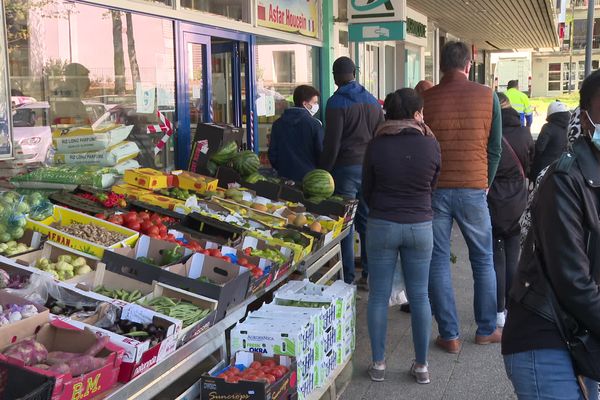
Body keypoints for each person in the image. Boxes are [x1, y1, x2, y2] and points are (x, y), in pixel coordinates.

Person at [502, 70, 600, 400]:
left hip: (582, 335)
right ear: (585, 119)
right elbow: (573, 280)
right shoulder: (566, 180)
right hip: (545, 336)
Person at [422, 41, 503, 354]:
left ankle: (450, 335)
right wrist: (486, 182)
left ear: (441, 66)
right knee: (483, 259)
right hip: (473, 187)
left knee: (437, 260)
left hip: (436, 189)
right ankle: (485, 331)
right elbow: (494, 148)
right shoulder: (488, 95)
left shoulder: (426, 98)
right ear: (468, 65)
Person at [363, 88, 441, 384]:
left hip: (382, 223)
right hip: (420, 226)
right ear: (417, 113)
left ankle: (378, 364)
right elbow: (433, 182)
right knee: (420, 295)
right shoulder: (431, 145)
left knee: (378, 296)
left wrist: (382, 207)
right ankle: (421, 367)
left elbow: (366, 188)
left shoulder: (376, 145)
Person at [320, 56, 384, 286]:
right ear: (354, 74)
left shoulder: (336, 103)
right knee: (366, 222)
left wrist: (323, 171)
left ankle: (347, 278)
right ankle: (369, 274)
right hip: (369, 169)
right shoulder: (373, 102)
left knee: (345, 223)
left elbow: (332, 143)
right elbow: (380, 136)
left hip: (345, 169)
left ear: (336, 77)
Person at [487, 93, 533, 329]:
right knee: (514, 255)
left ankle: (497, 311)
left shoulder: (490, 133)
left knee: (496, 256)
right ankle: (513, 307)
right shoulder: (525, 133)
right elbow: (531, 165)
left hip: (494, 198)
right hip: (518, 199)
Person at [268, 85, 323, 182]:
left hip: (284, 177)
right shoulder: (314, 125)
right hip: (309, 178)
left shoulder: (278, 124)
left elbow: (272, 153)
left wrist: (282, 169)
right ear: (305, 103)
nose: (316, 106)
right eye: (314, 103)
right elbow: (320, 152)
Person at [529, 100, 571, 183]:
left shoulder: (548, 127)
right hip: (563, 167)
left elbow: (539, 148)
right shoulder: (569, 127)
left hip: (545, 169)